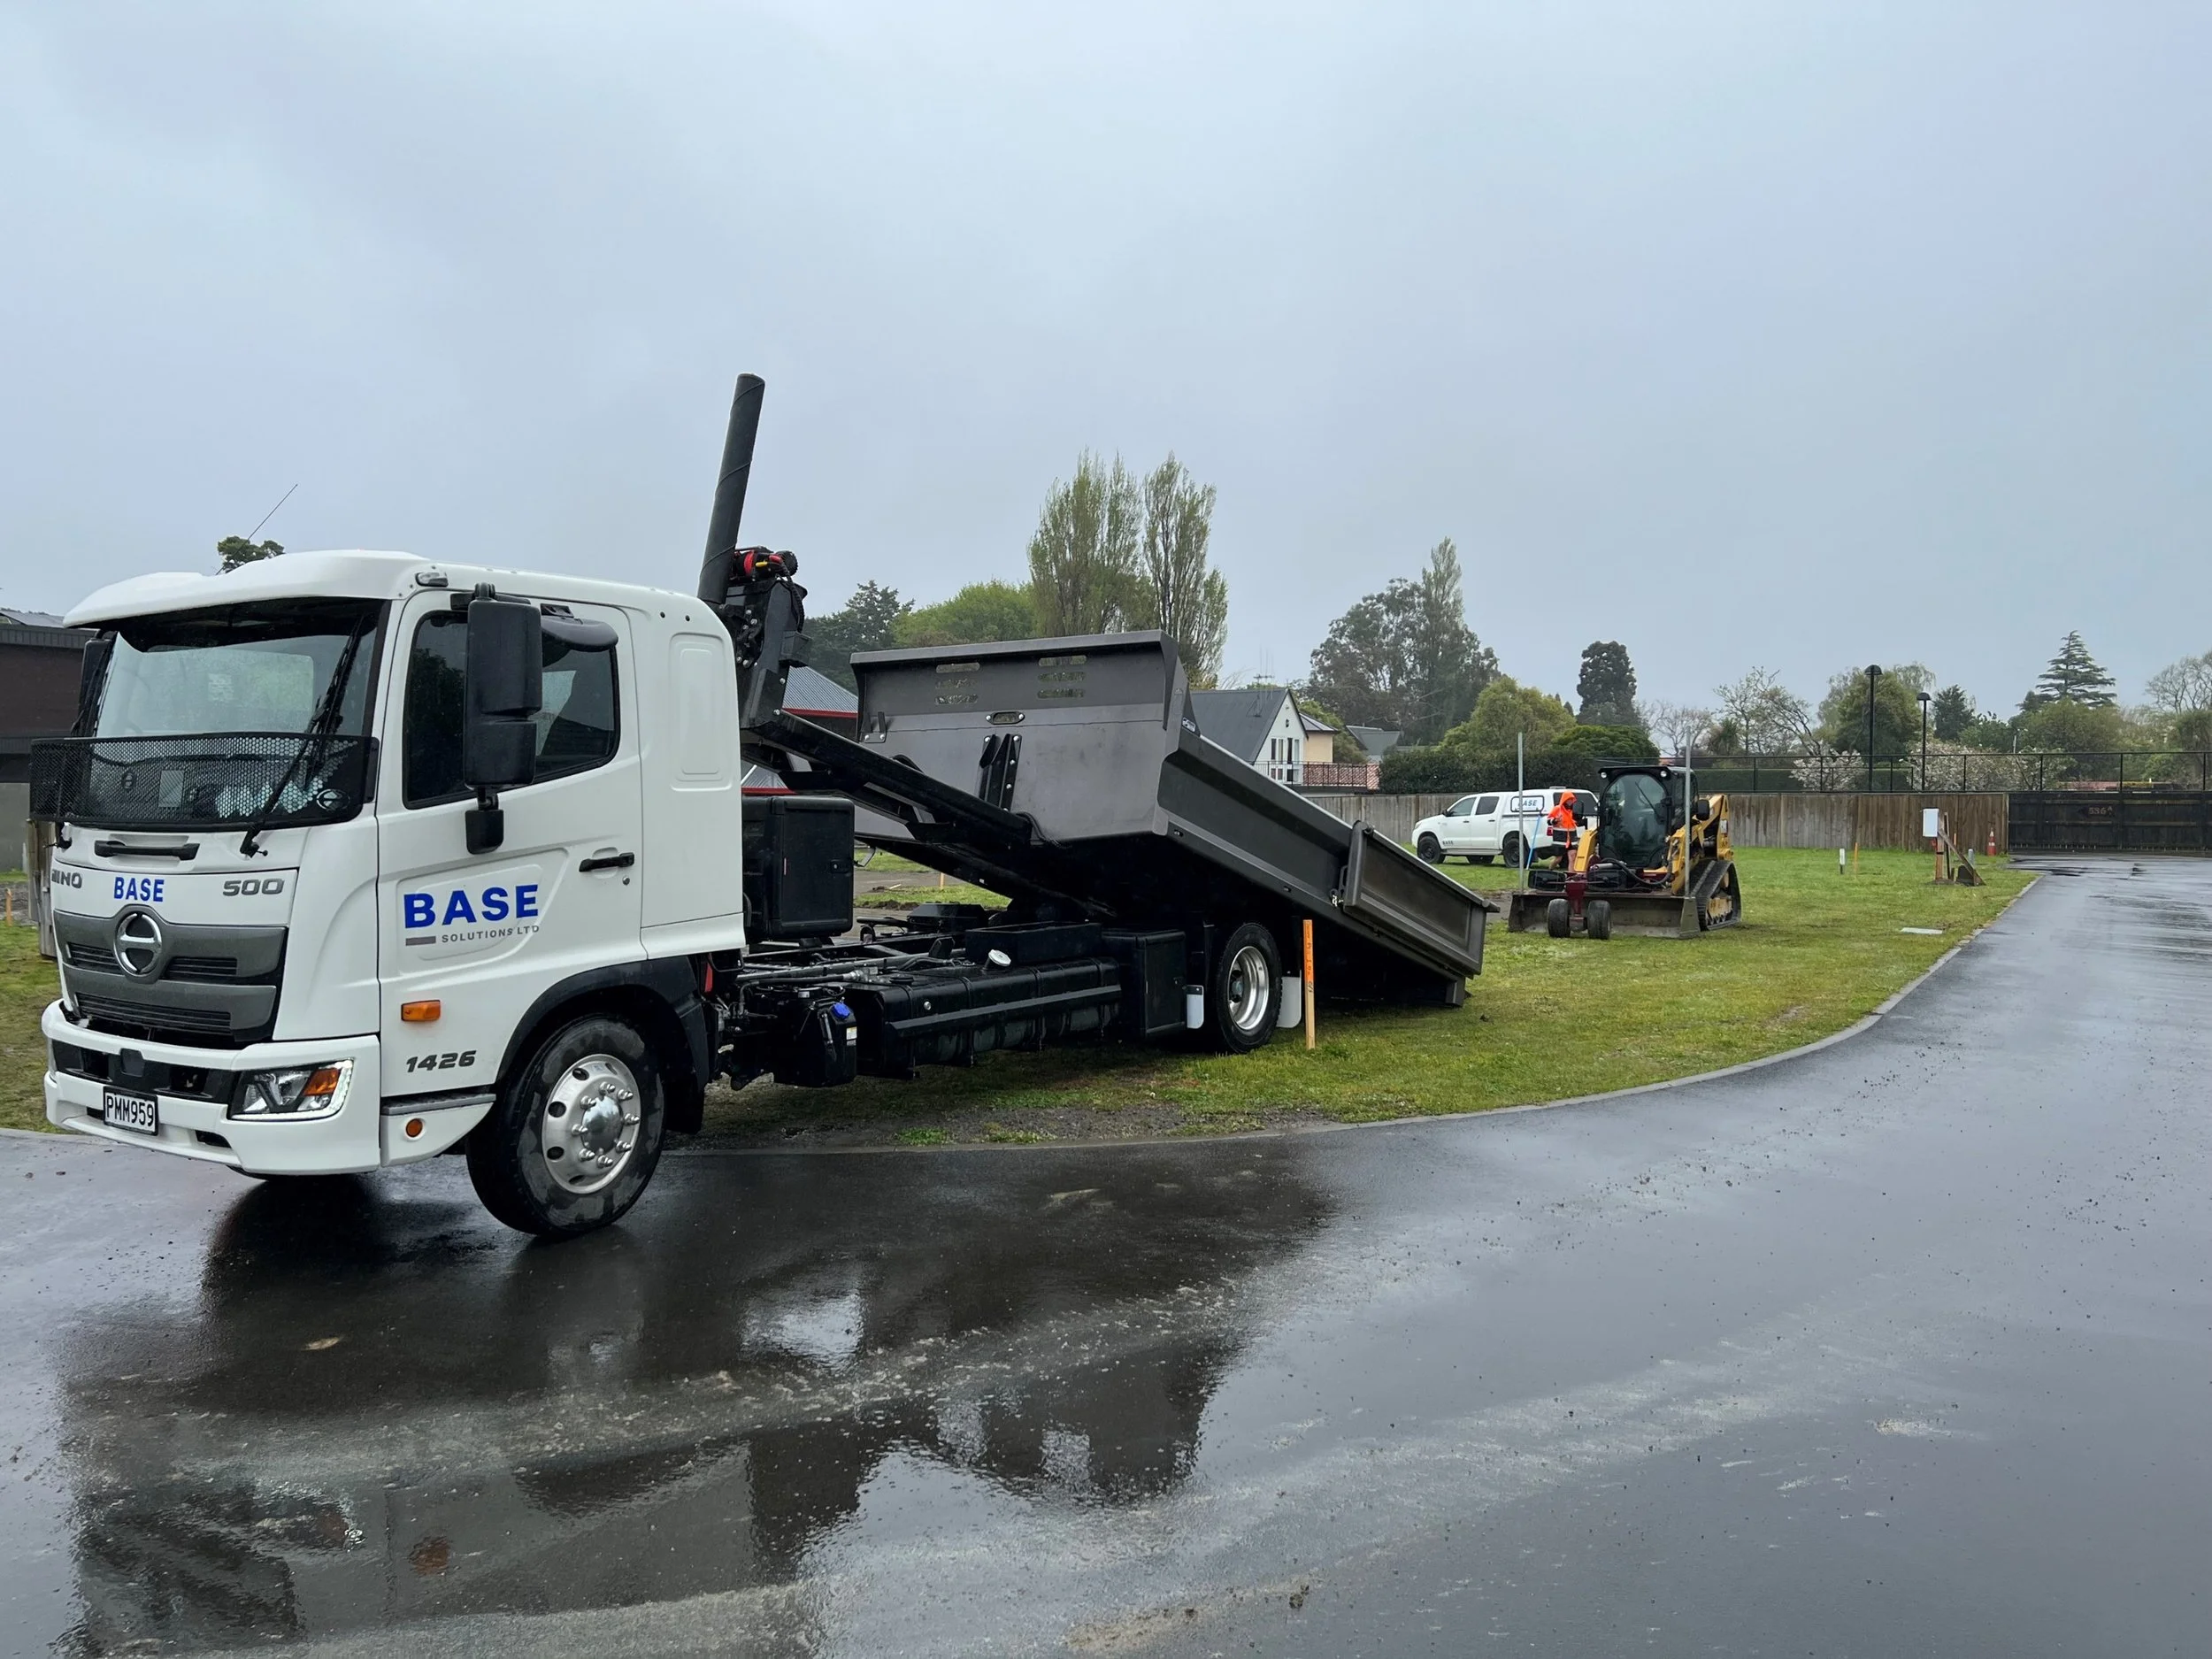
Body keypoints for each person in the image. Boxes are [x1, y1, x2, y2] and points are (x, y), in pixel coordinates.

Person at [1545, 792, 1581, 865]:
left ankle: (1572, 876)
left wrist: (1579, 821)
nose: (1571, 801)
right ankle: (1551, 869)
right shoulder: (1557, 809)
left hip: (1571, 837)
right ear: (1565, 800)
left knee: (1573, 857)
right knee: (1558, 859)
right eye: (1569, 799)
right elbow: (1548, 820)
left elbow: (1576, 820)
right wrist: (1555, 820)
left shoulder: (1574, 810)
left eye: (1572, 799)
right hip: (1560, 838)